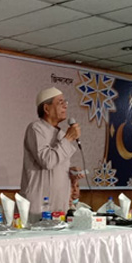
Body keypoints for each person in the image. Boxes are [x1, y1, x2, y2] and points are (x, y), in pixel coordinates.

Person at [20, 87, 81, 220]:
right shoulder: (36, 128)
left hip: (60, 206)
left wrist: (71, 173)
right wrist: (68, 139)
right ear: (46, 108)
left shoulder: (62, 134)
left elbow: (55, 165)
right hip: (39, 207)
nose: (65, 105)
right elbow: (47, 161)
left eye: (65, 102)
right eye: (60, 102)